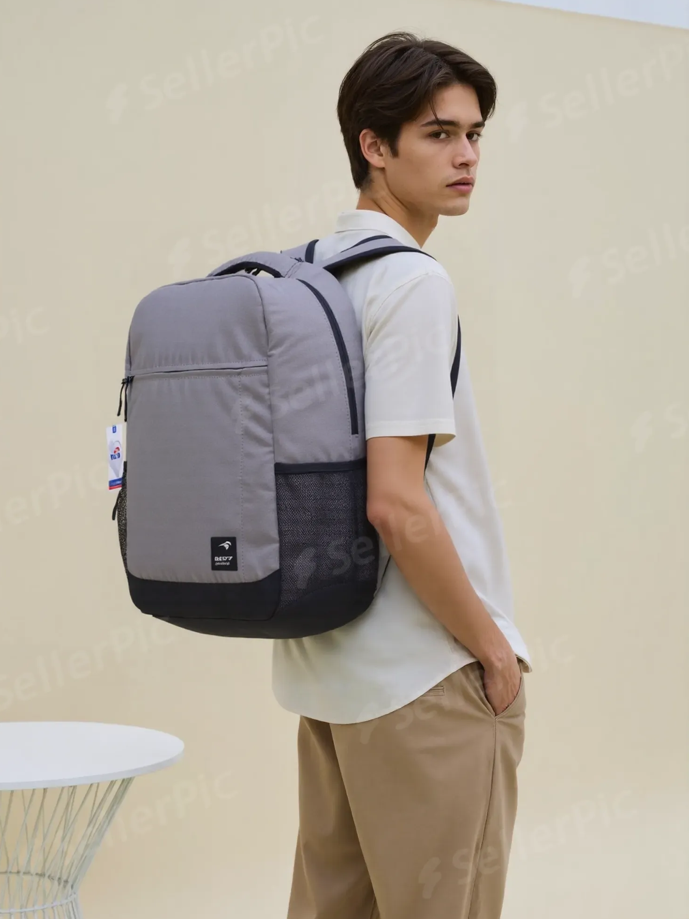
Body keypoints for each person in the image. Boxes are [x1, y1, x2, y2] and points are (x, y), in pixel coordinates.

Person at [272, 30, 533, 919]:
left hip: (327, 671)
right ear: (372, 146)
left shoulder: (310, 275)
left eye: (473, 134)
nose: (465, 156)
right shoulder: (412, 283)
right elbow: (396, 502)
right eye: (437, 133)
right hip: (425, 673)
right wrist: (491, 649)